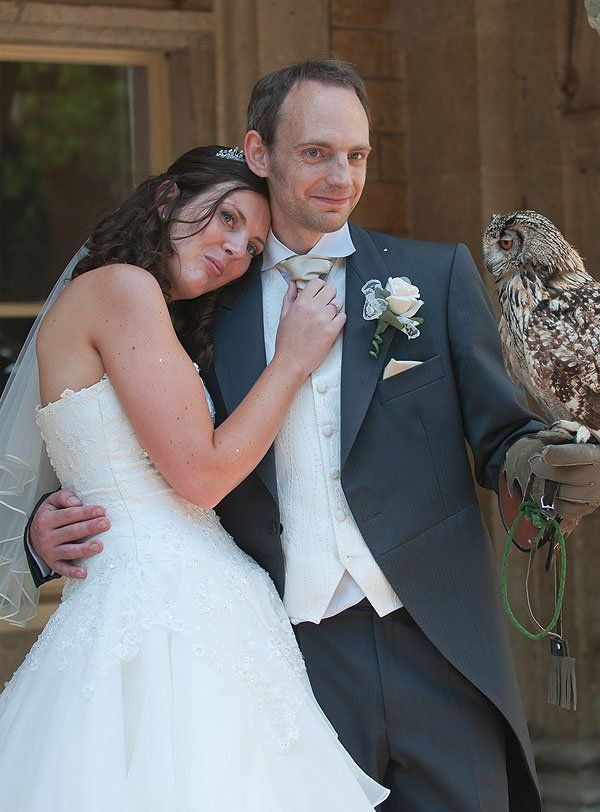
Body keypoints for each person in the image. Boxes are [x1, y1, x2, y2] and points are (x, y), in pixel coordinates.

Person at [25, 61, 600, 810]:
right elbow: (118, 437)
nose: (341, 176)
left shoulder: (435, 276)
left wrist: (539, 466)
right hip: (284, 660)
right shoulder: (198, 307)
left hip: (437, 644)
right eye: (316, 152)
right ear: (259, 154)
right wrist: (41, 531)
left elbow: (503, 434)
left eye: (357, 155)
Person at [0, 145, 389, 811]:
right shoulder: (122, 288)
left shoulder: (141, 308)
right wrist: (293, 359)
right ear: (167, 199)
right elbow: (202, 476)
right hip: (160, 623)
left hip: (196, 610)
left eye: (252, 245)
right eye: (228, 219)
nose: (236, 251)